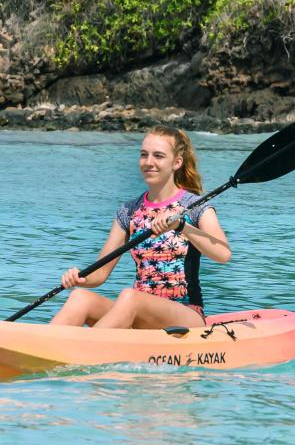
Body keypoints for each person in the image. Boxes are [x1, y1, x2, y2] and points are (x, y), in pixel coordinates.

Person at [51, 125, 231, 329]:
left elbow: (223, 254)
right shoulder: (129, 211)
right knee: (80, 298)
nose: (149, 162)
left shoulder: (195, 207)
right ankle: (42, 351)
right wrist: (78, 278)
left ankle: (83, 351)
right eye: (144, 155)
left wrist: (182, 226)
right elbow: (99, 274)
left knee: (130, 297)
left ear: (177, 162)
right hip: (138, 312)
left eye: (158, 156)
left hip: (187, 314)